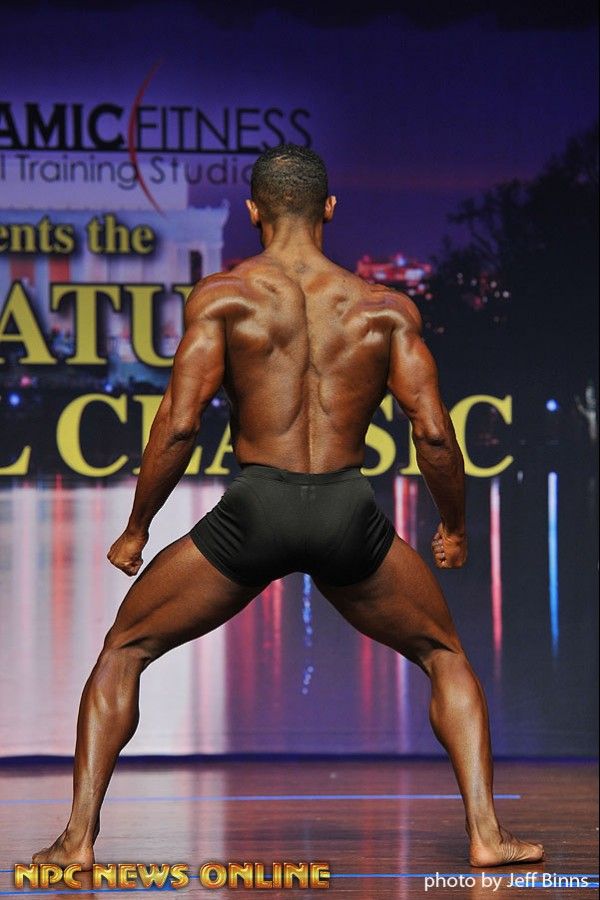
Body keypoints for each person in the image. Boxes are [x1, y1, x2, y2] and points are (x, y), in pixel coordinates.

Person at [33, 144, 543, 869]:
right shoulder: (385, 310)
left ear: (252, 211)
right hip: (347, 513)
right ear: (329, 207)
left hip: (256, 512)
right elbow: (432, 431)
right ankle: (487, 835)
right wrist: (454, 526)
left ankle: (78, 840)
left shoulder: (224, 298)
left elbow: (178, 424)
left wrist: (136, 528)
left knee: (125, 650)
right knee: (443, 654)